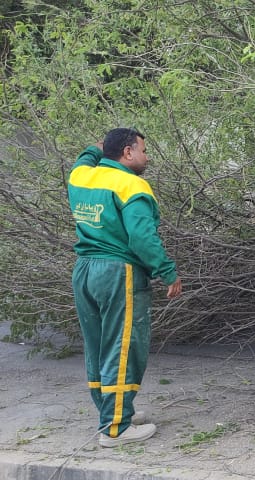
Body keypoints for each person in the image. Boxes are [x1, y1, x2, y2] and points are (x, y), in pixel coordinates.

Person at [68, 128, 182, 448]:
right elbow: (142, 238)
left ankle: (115, 411)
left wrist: (96, 147)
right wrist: (168, 273)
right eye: (143, 151)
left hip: (85, 271)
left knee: (98, 346)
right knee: (123, 348)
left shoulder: (81, 177)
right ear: (128, 153)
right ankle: (115, 427)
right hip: (118, 272)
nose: (147, 158)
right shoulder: (131, 185)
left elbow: (83, 158)